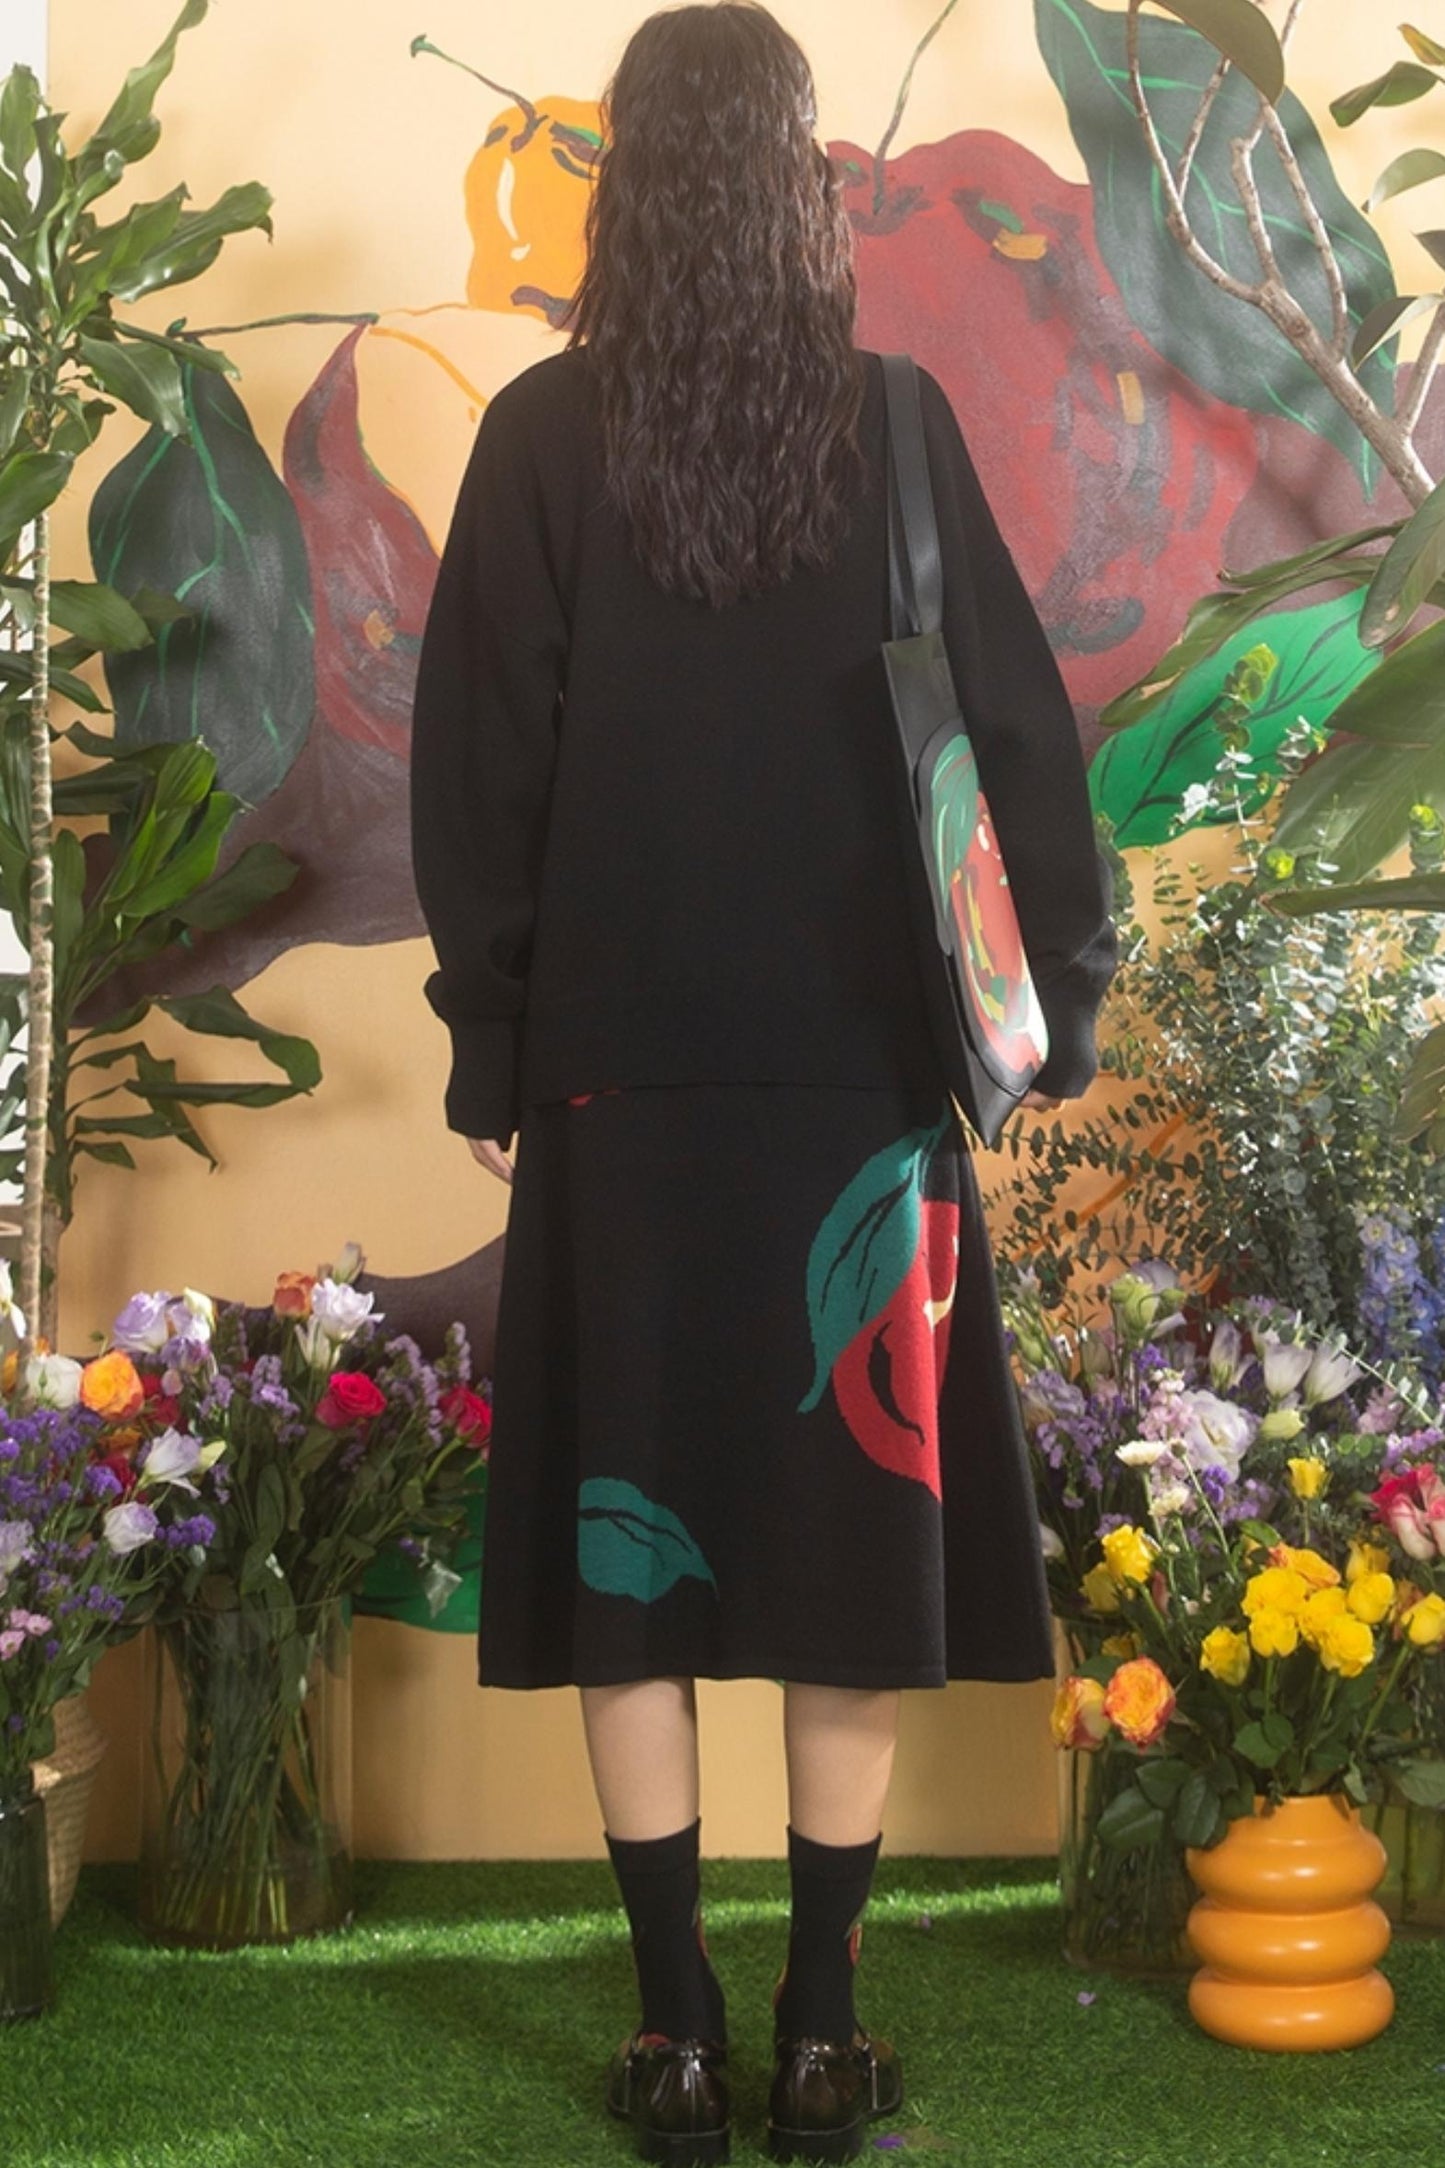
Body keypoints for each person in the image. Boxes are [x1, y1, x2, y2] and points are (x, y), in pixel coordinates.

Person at [409, 6, 1115, 2161]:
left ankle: (676, 2033)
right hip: (865, 1090)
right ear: (802, 181)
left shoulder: (539, 432)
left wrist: (497, 1039)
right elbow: (1019, 736)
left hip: (615, 1089)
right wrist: (1056, 1011)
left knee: (631, 1554)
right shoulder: (895, 423)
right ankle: (821, 2027)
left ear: (626, 180)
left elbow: (479, 771)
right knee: (846, 1545)